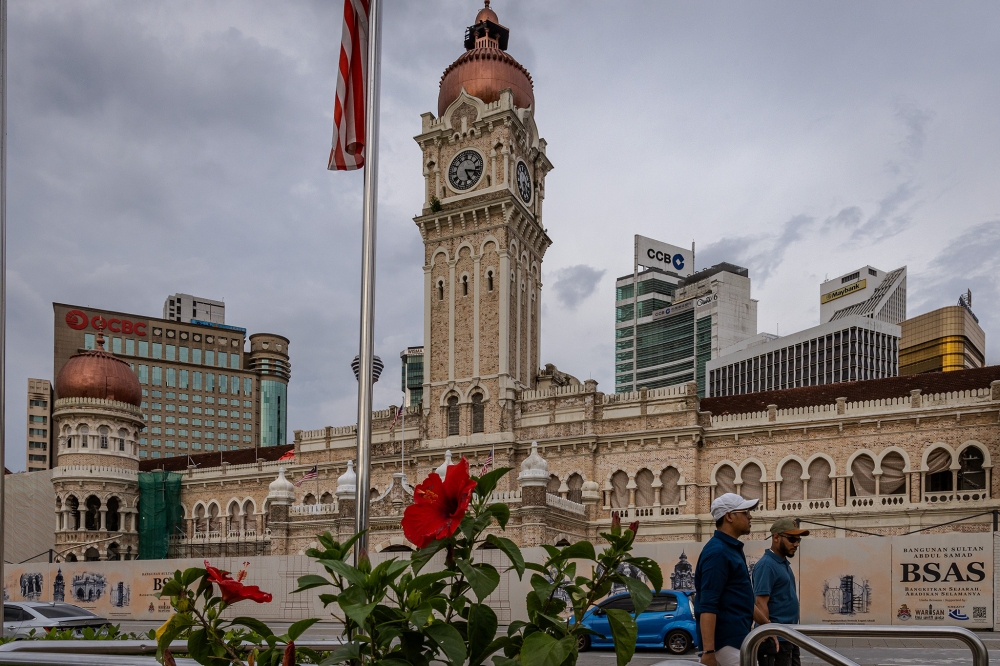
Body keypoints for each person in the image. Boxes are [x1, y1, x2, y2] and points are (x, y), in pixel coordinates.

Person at [695, 493, 760, 666]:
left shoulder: (729, 549)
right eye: (745, 512)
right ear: (729, 516)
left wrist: (769, 628)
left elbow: (742, 599)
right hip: (725, 647)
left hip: (737, 642)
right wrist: (708, 653)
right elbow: (708, 604)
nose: (750, 516)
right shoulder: (717, 552)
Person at [752, 517, 809, 666]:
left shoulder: (782, 563)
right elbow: (760, 602)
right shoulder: (766, 565)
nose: (796, 544)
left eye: (798, 540)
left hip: (789, 635)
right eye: (791, 539)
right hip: (777, 640)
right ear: (776, 537)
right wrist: (768, 635)